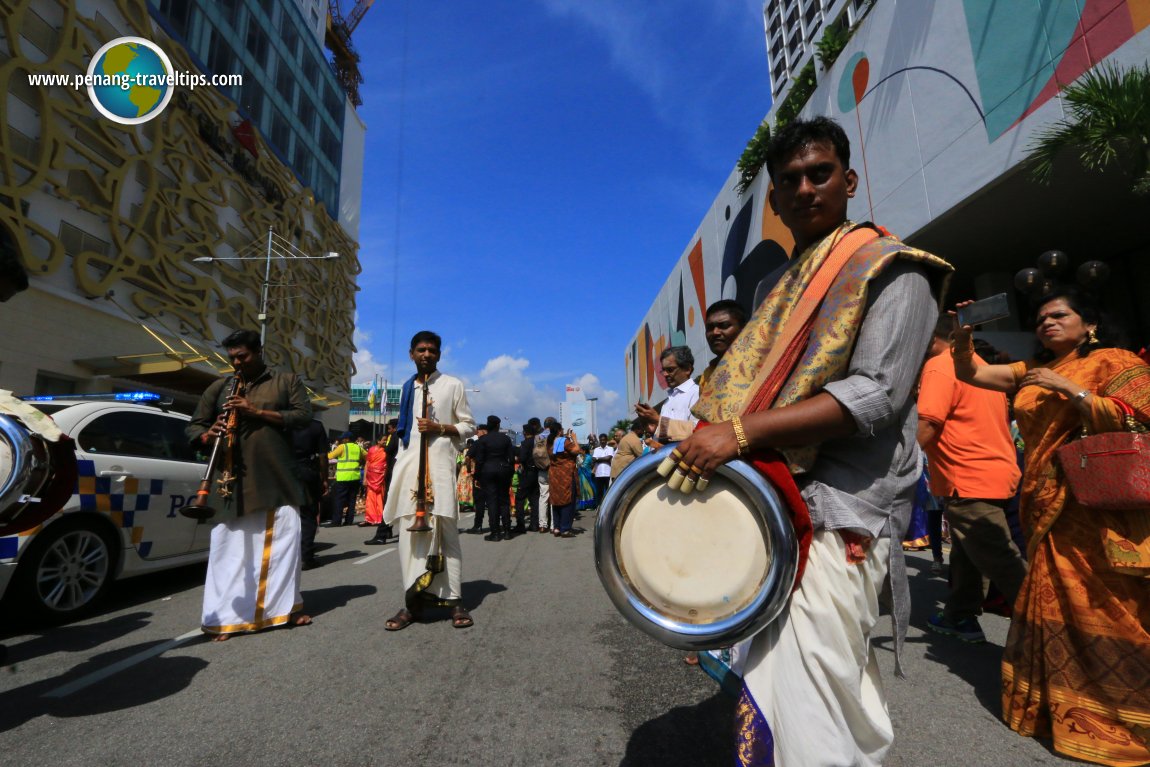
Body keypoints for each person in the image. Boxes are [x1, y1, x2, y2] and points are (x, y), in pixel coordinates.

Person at [668, 117, 952, 765]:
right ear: (772, 201)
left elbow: (875, 396)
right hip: (773, 511)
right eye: (789, 179)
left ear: (848, 181)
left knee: (812, 688)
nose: (804, 187)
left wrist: (737, 433)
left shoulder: (893, 271)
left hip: (842, 516)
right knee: (806, 689)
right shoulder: (773, 291)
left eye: (819, 173)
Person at [952, 288, 1150, 765]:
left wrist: (1073, 391)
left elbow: (1141, 417)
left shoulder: (1113, 361)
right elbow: (972, 372)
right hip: (1043, 502)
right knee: (1050, 597)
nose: (1047, 323)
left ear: (1090, 324)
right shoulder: (1031, 371)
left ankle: (1126, 712)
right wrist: (963, 338)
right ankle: (1053, 707)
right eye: (1040, 318)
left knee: (1106, 604)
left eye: (1060, 314)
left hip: (1096, 505)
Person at [187, 329, 315, 641]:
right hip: (230, 480)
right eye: (231, 358)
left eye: (242, 356)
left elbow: (303, 417)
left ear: (258, 352)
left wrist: (256, 412)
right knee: (229, 550)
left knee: (283, 545)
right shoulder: (220, 387)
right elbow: (194, 427)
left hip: (276, 478)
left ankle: (284, 610)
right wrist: (208, 434)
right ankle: (227, 618)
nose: (236, 363)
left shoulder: (285, 381)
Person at [917, 315, 1026, 643]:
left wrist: (895, 471)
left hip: (969, 477)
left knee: (1003, 561)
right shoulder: (976, 364)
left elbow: (928, 425)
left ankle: (1049, 627)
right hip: (997, 472)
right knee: (968, 550)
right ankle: (959, 614)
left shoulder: (939, 365)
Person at [382, 331, 476, 631]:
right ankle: (412, 603)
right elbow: (405, 436)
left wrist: (440, 427)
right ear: (411, 354)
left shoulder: (452, 385)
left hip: (440, 468)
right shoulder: (407, 388)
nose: (426, 354)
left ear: (439, 354)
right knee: (409, 539)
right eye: (421, 350)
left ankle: (455, 601)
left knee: (447, 534)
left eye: (432, 350)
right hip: (410, 469)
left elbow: (469, 427)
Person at [636, 346, 698, 442]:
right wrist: (653, 427)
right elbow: (664, 434)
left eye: (670, 369)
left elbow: (699, 430)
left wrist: (657, 419)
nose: (665, 374)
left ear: (687, 369)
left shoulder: (697, 393)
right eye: (663, 370)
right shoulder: (668, 401)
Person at [291, 418, 329, 569]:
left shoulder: (282, 422)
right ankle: (306, 557)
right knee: (308, 514)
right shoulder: (315, 426)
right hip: (307, 471)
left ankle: (288, 557)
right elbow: (323, 456)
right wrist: (324, 478)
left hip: (284, 471)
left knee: (286, 514)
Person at [472, 415, 515, 541]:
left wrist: (477, 476)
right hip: (503, 470)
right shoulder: (506, 439)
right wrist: (510, 472)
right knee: (504, 501)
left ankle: (495, 532)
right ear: (498, 426)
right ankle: (507, 531)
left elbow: (479, 460)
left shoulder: (483, 440)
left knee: (492, 502)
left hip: (487, 471)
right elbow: (511, 458)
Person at [545, 421, 582, 537]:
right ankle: (565, 528)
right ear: (559, 431)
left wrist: (566, 438)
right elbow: (576, 450)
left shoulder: (550, 442)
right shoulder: (564, 441)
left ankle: (557, 527)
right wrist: (574, 439)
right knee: (567, 500)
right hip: (566, 474)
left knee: (556, 500)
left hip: (554, 474)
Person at [365, 420, 399, 545]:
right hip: (387, 474)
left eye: (390, 428)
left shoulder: (396, 436)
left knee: (388, 503)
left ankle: (382, 534)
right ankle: (387, 530)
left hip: (391, 473)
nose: (388, 431)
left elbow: (389, 450)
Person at [327, 432, 364, 527]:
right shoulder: (358, 447)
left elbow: (330, 456)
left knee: (339, 500)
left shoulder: (342, 447)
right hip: (355, 477)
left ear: (347, 439)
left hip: (343, 478)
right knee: (352, 500)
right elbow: (367, 455)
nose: (341, 440)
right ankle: (349, 521)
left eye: (343, 439)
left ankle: (336, 521)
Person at [516, 421, 541, 532]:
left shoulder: (525, 443)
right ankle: (534, 524)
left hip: (527, 474)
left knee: (520, 498)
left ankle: (520, 525)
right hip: (537, 473)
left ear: (525, 432)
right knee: (534, 499)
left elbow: (521, 458)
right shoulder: (538, 442)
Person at [531, 417, 554, 532]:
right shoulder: (553, 436)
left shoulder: (538, 437)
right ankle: (553, 525)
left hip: (541, 469)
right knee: (553, 497)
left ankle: (542, 525)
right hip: (552, 469)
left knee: (543, 497)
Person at [363, 434, 389, 531]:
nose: (385, 442)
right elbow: (367, 463)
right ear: (378, 441)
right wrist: (365, 478)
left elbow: (386, 464)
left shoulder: (386, 451)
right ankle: (370, 518)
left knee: (380, 498)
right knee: (370, 498)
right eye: (383, 440)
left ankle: (379, 518)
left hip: (381, 477)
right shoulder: (371, 450)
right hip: (371, 477)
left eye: (386, 440)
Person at [465, 423, 488, 533]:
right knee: (495, 501)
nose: (476, 433)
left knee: (479, 502)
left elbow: (467, 458)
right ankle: (497, 527)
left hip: (480, 475)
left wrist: (469, 470)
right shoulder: (497, 441)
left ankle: (478, 526)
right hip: (495, 475)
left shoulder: (477, 443)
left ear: (483, 431)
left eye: (478, 431)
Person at [591, 433, 614, 499]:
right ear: (599, 440)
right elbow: (593, 459)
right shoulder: (596, 449)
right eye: (601, 440)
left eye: (604, 440)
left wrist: (598, 459)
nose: (602, 441)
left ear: (606, 440)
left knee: (608, 492)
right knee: (599, 493)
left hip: (608, 474)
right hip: (598, 474)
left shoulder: (610, 448)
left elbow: (608, 458)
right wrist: (604, 459)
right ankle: (599, 507)